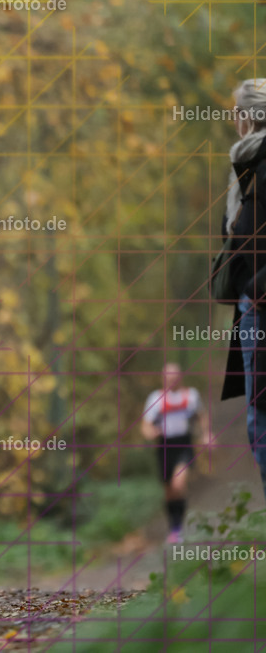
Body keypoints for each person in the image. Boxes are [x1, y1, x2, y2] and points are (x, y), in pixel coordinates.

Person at [219, 78, 266, 503]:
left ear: (248, 117)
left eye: (236, 111)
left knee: (262, 424)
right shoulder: (250, 164)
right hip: (253, 306)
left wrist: (256, 287)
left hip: (261, 305)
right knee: (258, 422)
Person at [140, 363, 211, 544]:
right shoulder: (155, 398)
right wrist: (150, 432)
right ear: (163, 378)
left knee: (178, 483)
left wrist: (206, 434)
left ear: (180, 377)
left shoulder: (191, 396)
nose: (172, 380)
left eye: (174, 377)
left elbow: (202, 415)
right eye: (168, 377)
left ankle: (178, 528)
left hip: (184, 444)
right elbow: (146, 425)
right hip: (164, 446)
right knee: (169, 490)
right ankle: (173, 526)